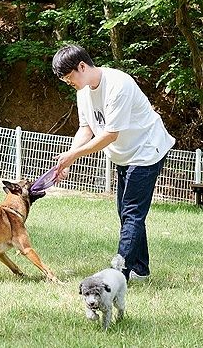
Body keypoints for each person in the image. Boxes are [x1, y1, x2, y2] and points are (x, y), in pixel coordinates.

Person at [52, 44, 175, 282]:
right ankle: (140, 269)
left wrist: (74, 156)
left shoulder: (119, 85)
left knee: (132, 212)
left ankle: (117, 273)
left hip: (147, 150)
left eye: (70, 78)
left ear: (82, 66)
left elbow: (110, 134)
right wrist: (67, 158)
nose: (70, 83)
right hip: (123, 154)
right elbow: (85, 129)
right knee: (126, 212)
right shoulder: (83, 92)